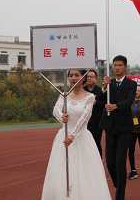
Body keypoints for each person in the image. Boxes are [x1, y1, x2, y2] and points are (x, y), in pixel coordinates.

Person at [41, 70, 111, 200]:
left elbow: (85, 117)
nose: (73, 78)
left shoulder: (89, 97)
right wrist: (62, 117)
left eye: (77, 75)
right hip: (63, 137)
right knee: (61, 172)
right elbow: (56, 110)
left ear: (83, 78)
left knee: (84, 173)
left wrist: (73, 135)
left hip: (81, 138)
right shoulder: (64, 95)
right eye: (71, 75)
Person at [100, 55, 137, 200]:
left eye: (120, 65)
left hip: (124, 127)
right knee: (110, 162)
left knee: (120, 161)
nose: (116, 67)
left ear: (125, 67)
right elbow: (101, 98)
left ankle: (120, 195)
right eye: (114, 65)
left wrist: (115, 106)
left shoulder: (131, 84)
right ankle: (118, 183)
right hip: (110, 126)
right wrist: (104, 86)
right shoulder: (109, 83)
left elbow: (129, 101)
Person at [84, 70, 105, 157]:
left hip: (96, 122)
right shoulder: (82, 90)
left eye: (91, 77)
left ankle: (98, 163)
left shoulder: (100, 91)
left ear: (96, 79)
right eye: (87, 77)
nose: (89, 78)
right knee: (84, 145)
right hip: (84, 123)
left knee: (96, 144)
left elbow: (106, 103)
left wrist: (96, 103)